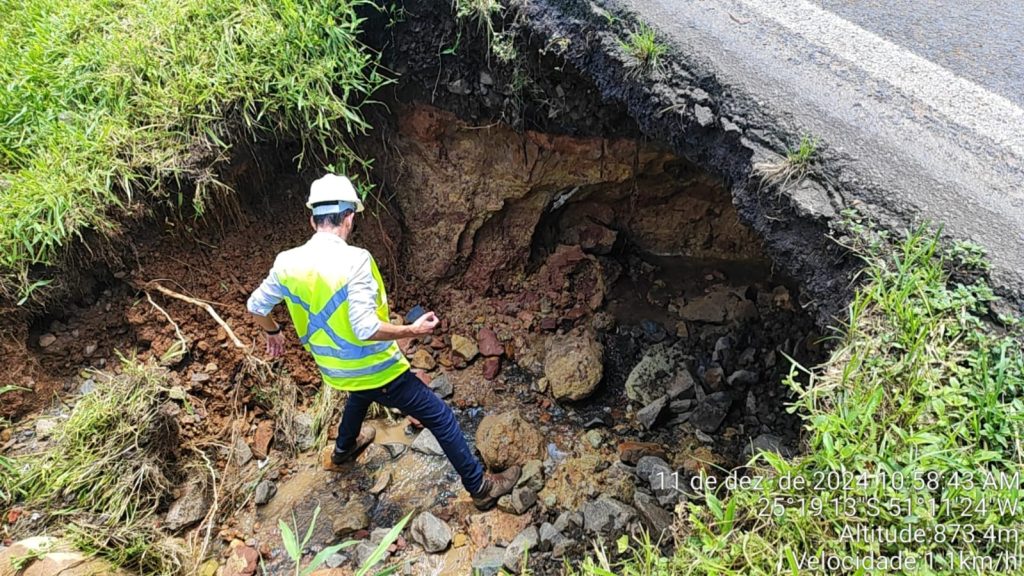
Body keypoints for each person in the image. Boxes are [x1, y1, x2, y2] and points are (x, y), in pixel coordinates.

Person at [246, 174, 519, 510]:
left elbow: (256, 306)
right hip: (375, 369)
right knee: (441, 418)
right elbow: (364, 329)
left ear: (312, 219)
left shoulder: (286, 262)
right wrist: (413, 331)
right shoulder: (355, 260)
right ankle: (481, 488)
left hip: (334, 370)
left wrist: (272, 332)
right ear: (349, 218)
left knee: (360, 394)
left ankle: (344, 450)